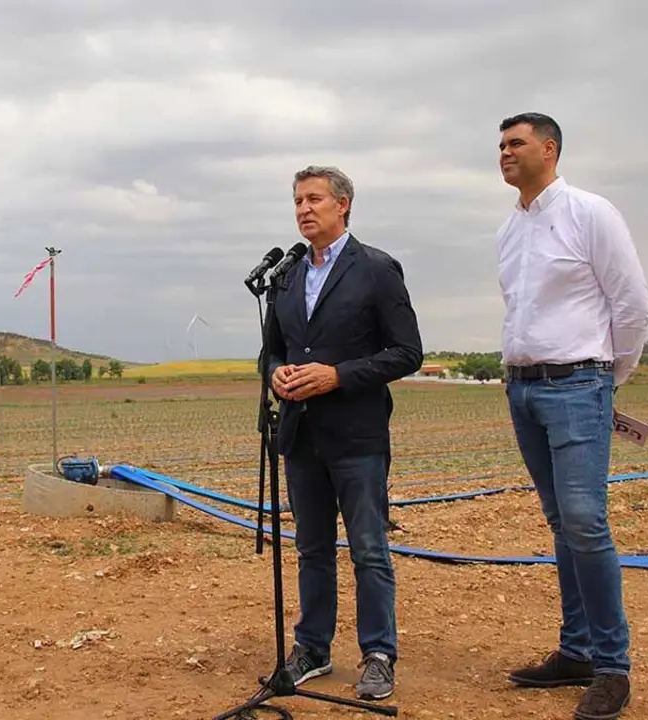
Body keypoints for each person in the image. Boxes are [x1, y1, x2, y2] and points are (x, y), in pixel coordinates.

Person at [494, 113, 648, 720]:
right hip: (524, 391)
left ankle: (613, 666)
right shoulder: (510, 229)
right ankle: (577, 650)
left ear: (550, 149)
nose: (505, 152)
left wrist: (607, 379)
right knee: (562, 524)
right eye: (501, 144)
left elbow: (632, 305)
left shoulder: (591, 213)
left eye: (517, 143)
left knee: (586, 523)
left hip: (578, 383)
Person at [263, 165, 424, 701]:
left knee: (369, 549)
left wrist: (337, 375)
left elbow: (406, 352)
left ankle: (378, 653)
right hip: (300, 435)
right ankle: (313, 646)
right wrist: (275, 373)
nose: (304, 209)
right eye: (297, 202)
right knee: (311, 548)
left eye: (315, 199)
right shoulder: (286, 275)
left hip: (356, 435)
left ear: (344, 204)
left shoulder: (376, 269)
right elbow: (273, 348)